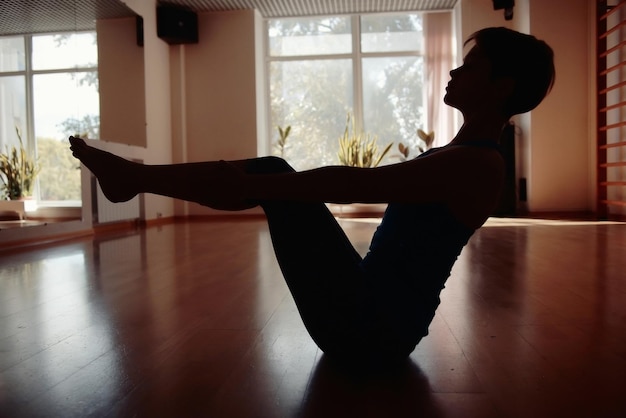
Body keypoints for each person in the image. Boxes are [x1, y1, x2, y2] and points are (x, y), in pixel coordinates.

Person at [69, 27, 555, 365]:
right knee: (271, 176)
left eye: (469, 67)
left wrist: (257, 187)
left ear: (501, 86)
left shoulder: (476, 162)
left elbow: (358, 184)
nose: (454, 72)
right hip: (372, 316)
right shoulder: (463, 153)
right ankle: (135, 179)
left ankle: (136, 179)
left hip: (371, 332)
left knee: (270, 173)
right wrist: (261, 188)